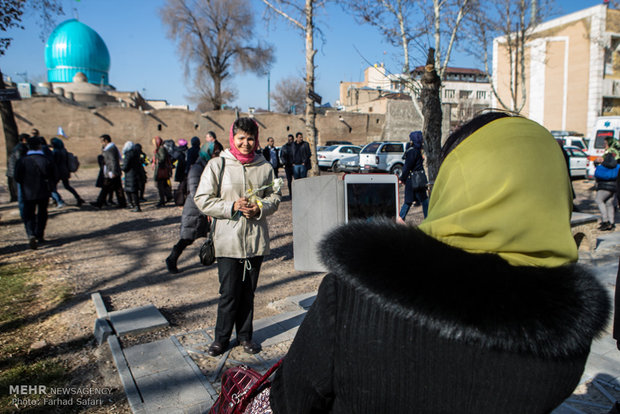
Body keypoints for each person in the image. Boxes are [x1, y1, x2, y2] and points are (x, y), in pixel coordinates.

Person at [265, 113, 610, 414]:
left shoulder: (355, 294)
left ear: (452, 183)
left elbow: (291, 401)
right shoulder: (569, 333)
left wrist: (401, 257)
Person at [194, 117, 281, 357]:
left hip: (254, 240)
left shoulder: (265, 167)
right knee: (229, 292)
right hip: (227, 241)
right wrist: (230, 206)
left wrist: (260, 207)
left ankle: (245, 336)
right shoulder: (217, 165)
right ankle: (221, 339)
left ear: (257, 140)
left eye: (250, 138)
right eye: (241, 138)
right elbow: (202, 199)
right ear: (233, 138)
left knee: (248, 292)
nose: (246, 143)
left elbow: (275, 196)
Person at [166, 142, 220, 273]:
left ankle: (215, 259)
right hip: (195, 209)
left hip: (206, 207)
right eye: (215, 152)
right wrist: (206, 208)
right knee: (188, 238)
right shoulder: (197, 168)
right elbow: (196, 191)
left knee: (216, 234)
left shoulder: (210, 166)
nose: (217, 155)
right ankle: (171, 258)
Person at [14, 136, 54, 249]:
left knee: (29, 214)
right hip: (43, 190)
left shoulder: (22, 160)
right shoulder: (46, 160)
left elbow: (17, 177)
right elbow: (53, 175)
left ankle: (30, 233)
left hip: (28, 191)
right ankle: (40, 235)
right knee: (42, 213)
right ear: (39, 146)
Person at [398, 131, 429, 220]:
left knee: (409, 201)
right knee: (423, 200)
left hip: (412, 179)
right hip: (418, 179)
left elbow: (407, 166)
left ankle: (401, 218)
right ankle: (427, 217)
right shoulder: (417, 151)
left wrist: (402, 178)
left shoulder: (412, 151)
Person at [91, 134, 127, 209]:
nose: (102, 143)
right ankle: (122, 203)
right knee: (117, 188)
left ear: (106, 141)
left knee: (106, 187)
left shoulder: (111, 149)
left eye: (102, 141)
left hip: (112, 172)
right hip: (112, 171)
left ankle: (99, 202)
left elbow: (113, 161)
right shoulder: (109, 148)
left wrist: (113, 172)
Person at [50, 137, 85, 206]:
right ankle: (78, 198)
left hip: (57, 172)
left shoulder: (55, 152)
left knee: (52, 188)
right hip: (65, 171)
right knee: (67, 186)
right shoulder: (64, 151)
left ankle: (58, 201)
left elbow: (54, 162)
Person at [594, 153, 618, 231]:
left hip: (604, 187)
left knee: (599, 200)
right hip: (614, 187)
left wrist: (597, 162)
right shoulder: (617, 167)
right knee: (609, 204)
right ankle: (611, 222)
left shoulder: (601, 167)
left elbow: (596, 174)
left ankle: (605, 221)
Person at [7, 133, 29, 208]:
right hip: (17, 172)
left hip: (15, 171)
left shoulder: (19, 147)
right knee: (21, 192)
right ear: (24, 139)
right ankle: (23, 208)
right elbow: (20, 161)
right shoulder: (20, 148)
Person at [122, 141, 143, 212]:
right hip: (136, 173)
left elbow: (125, 166)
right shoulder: (136, 153)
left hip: (130, 175)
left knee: (131, 191)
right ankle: (136, 205)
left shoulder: (128, 154)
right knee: (134, 191)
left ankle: (134, 205)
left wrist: (121, 168)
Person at [153, 136, 173, 207]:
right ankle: (168, 196)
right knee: (164, 185)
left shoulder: (161, 149)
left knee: (160, 186)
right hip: (162, 170)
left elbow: (162, 158)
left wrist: (157, 157)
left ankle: (162, 200)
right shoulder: (161, 149)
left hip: (161, 171)